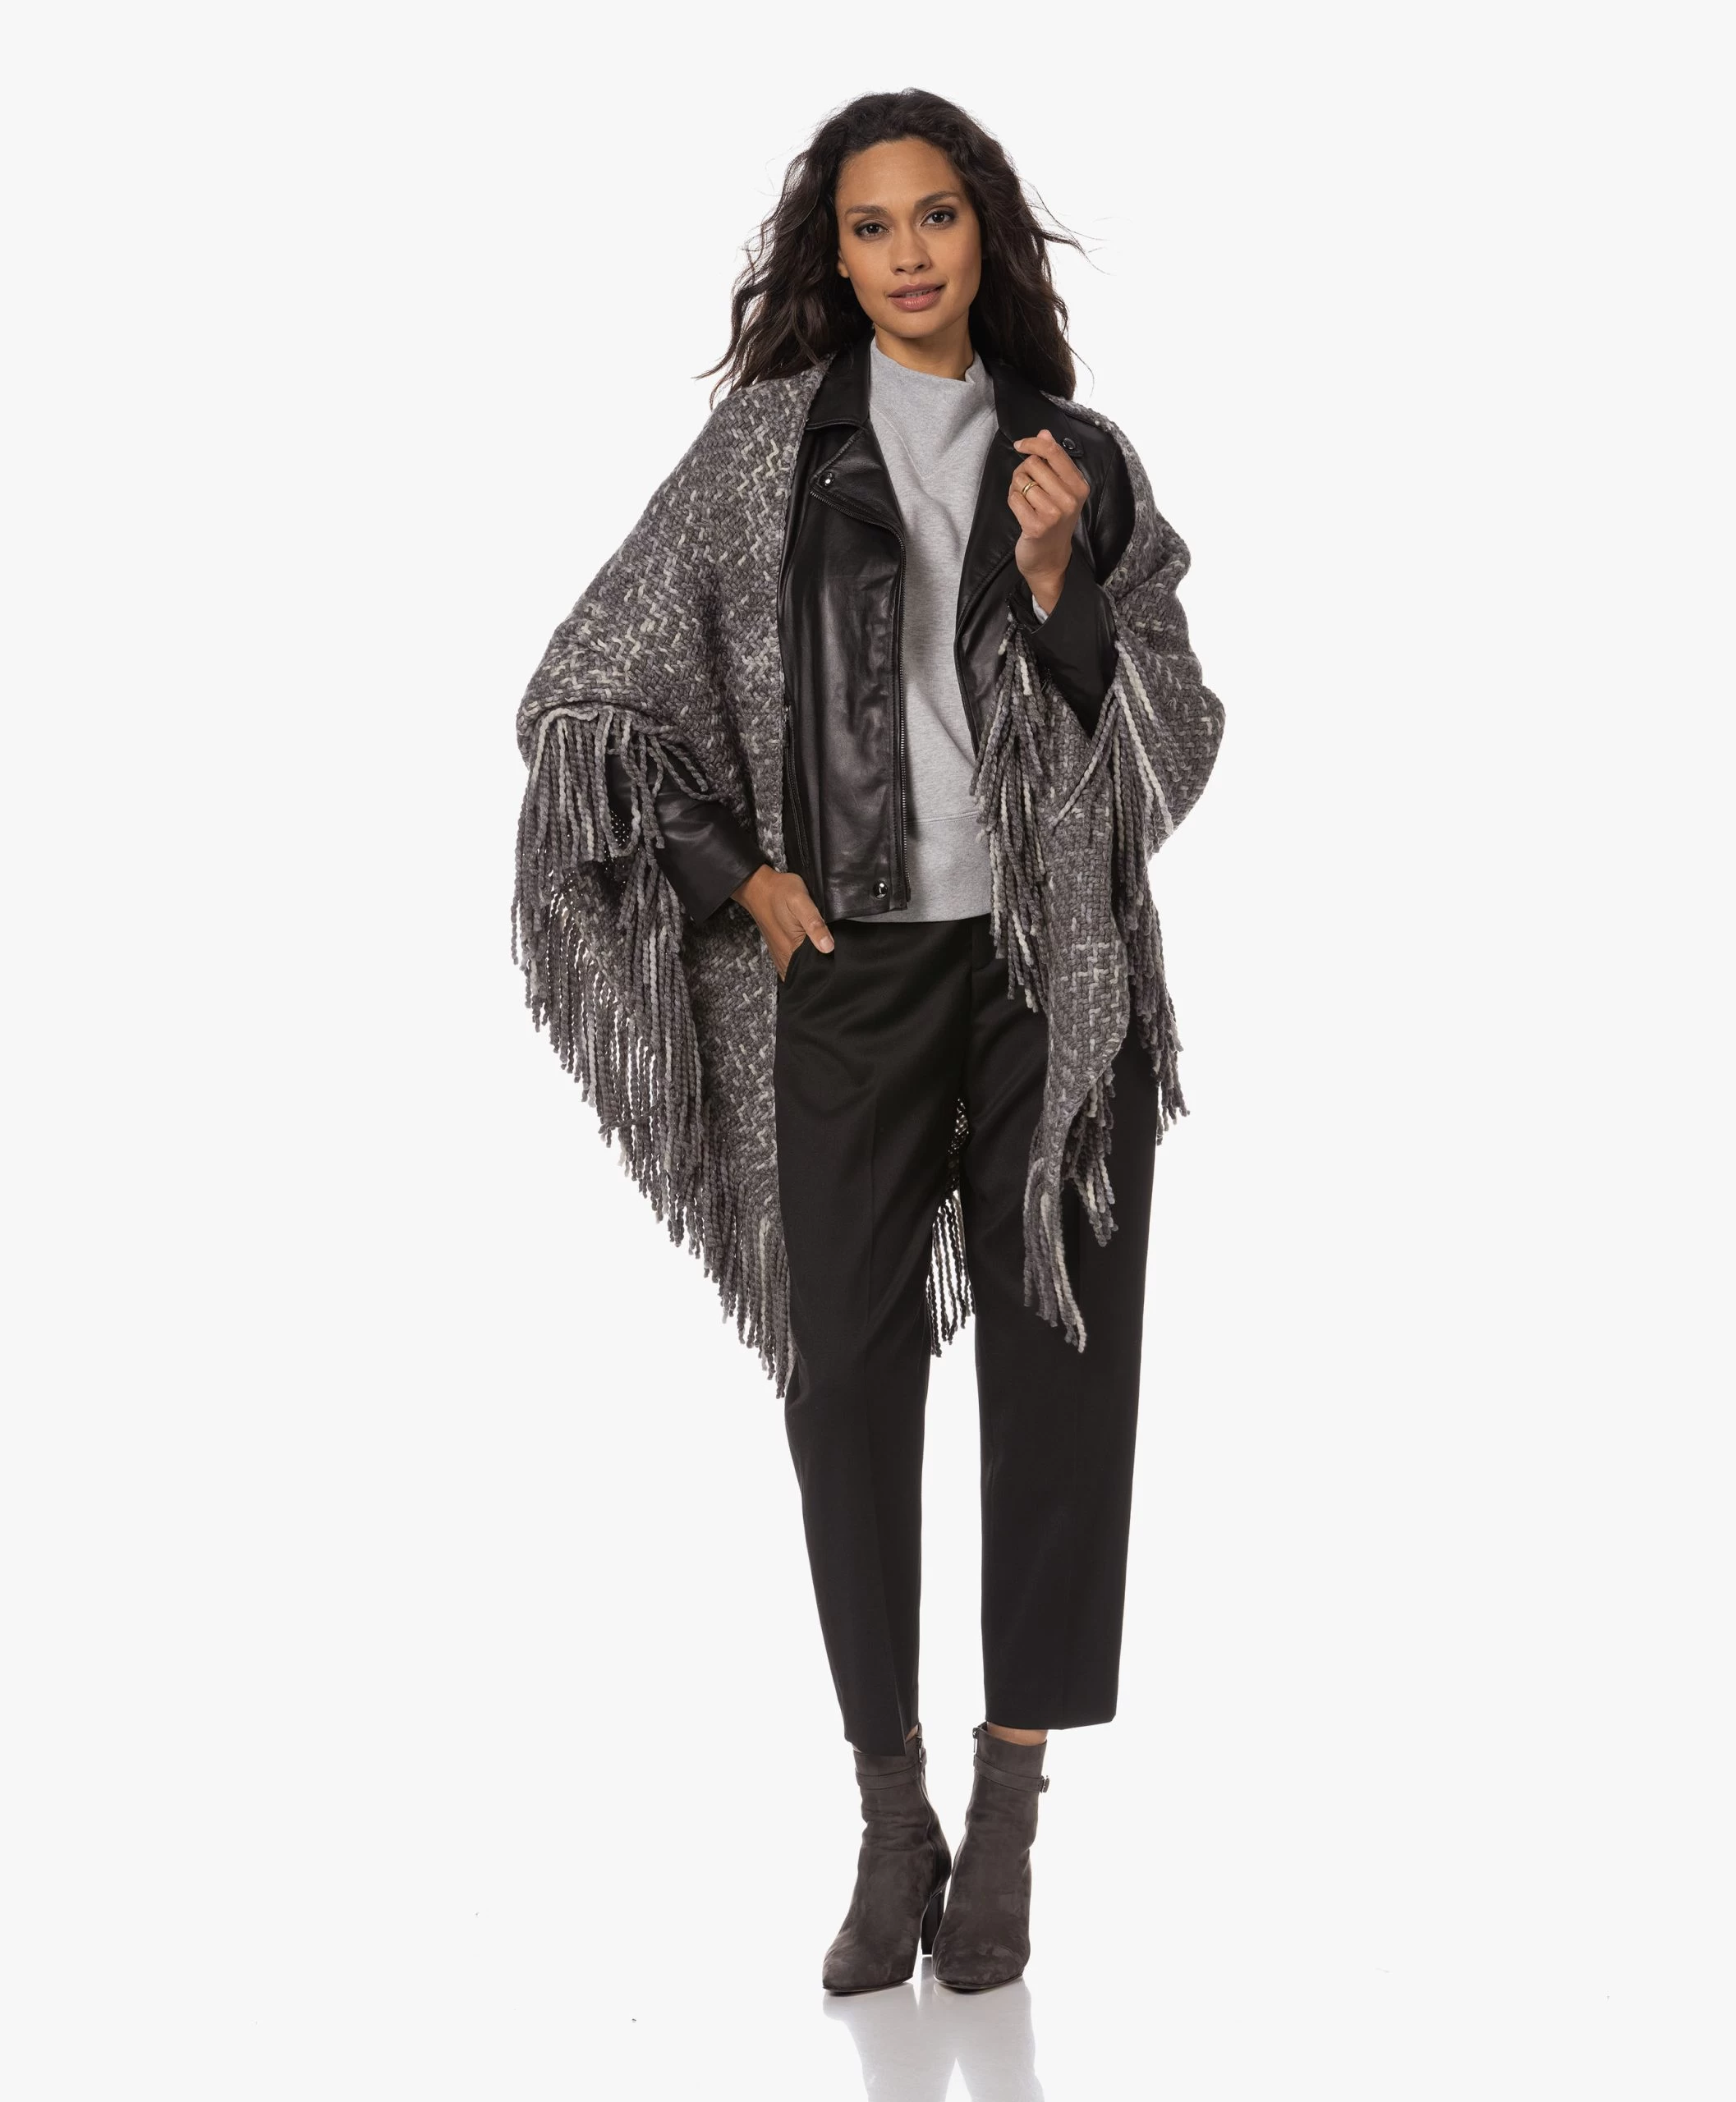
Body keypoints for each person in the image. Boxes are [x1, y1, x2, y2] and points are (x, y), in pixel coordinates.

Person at [510, 88, 1225, 1996]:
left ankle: (1009, 1811)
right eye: (869, 226)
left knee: (1063, 1376)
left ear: (985, 232)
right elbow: (589, 685)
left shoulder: (1078, 456)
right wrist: (735, 875)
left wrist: (1063, 599)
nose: (907, 253)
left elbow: (1178, 734)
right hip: (850, 974)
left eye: (935, 217)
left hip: (1055, 977)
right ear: (830, 256)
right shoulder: (768, 449)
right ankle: (889, 1807)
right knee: (843, 1379)